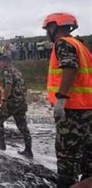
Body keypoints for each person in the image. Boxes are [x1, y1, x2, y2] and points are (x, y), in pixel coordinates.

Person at [42, 12, 91, 187]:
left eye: (48, 28)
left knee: (67, 161)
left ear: (55, 27)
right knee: (87, 158)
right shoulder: (80, 45)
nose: (47, 32)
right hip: (87, 110)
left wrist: (61, 98)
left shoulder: (63, 43)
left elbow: (70, 67)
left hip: (72, 112)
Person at [0, 55, 33, 159]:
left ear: (5, 61)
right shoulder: (17, 72)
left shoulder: (7, 71)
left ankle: (1, 144)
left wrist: (4, 101)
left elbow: (8, 86)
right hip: (21, 102)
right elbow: (24, 87)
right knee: (22, 125)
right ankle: (28, 150)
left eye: (0, 62)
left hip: (12, 102)